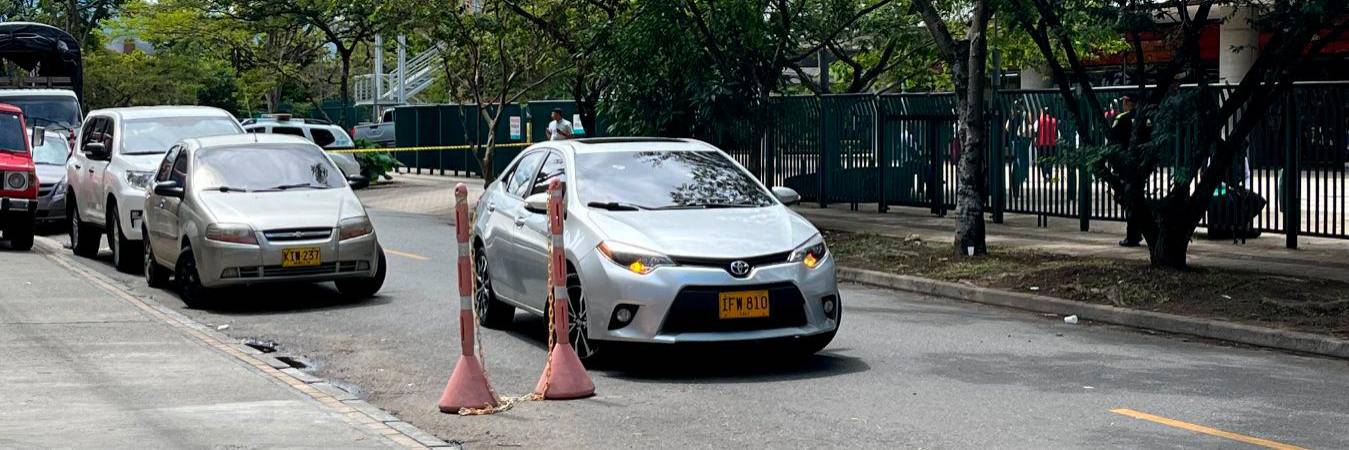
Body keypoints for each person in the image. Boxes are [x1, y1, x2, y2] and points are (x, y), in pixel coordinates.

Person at [1109, 94, 1147, 247]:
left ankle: (1133, 235)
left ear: (1128, 103)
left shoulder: (1122, 118)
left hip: (1125, 164)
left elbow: (1112, 139)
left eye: (1125, 101)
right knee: (1135, 196)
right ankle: (1136, 231)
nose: (1123, 104)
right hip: (1141, 164)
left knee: (1126, 197)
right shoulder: (1144, 118)